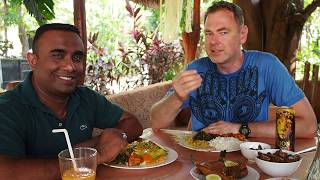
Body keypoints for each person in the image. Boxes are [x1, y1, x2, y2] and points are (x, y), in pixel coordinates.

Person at [151, 1, 317, 138]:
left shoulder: (267, 66)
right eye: (209, 33)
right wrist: (177, 97)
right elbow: (156, 123)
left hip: (250, 161)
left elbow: (309, 125)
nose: (214, 42)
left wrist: (240, 128)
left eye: (223, 32)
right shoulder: (195, 69)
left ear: (242, 34)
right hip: (199, 161)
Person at [0, 23, 143, 179]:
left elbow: (132, 123)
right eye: (58, 55)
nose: (70, 66)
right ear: (33, 60)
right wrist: (92, 157)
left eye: (77, 57)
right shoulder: (8, 109)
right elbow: (6, 172)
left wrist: (104, 141)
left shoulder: (85, 97)